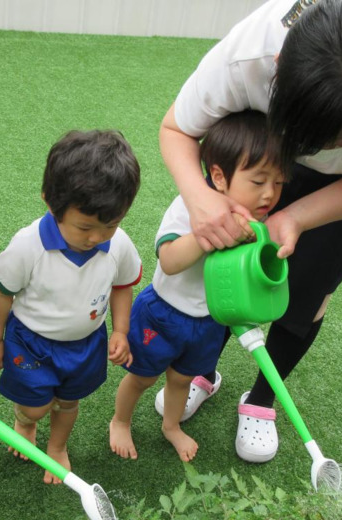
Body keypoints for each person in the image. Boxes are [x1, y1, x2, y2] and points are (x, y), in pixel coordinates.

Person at [155, 0, 342, 463]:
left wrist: (295, 217)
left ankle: (261, 397)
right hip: (263, 153)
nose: (315, 153)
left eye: (337, 141)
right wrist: (201, 199)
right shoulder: (248, 56)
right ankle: (202, 370)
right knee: (229, 263)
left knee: (307, 288)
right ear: (278, 70)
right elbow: (177, 127)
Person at [110, 111, 285, 463]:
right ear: (219, 176)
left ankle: (171, 426)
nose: (269, 194)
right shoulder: (189, 205)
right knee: (142, 377)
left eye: (279, 183)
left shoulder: (259, 220)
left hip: (208, 323)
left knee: (181, 380)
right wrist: (213, 234)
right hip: (163, 313)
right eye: (259, 181)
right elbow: (170, 261)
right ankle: (120, 420)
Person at [0, 130, 142, 484]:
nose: (97, 237)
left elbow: (122, 286)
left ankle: (57, 448)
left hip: (85, 344)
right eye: (85, 226)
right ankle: (25, 422)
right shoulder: (28, 246)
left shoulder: (118, 244)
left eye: (111, 225)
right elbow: (2, 294)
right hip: (31, 341)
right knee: (36, 404)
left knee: (68, 404)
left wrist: (120, 330)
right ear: (50, 203)